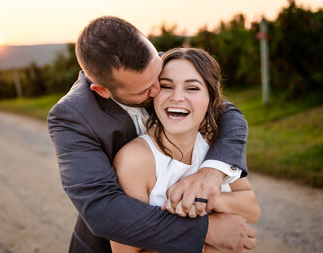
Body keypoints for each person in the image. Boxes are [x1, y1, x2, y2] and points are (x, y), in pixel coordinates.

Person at [48, 16, 256, 253]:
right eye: (145, 89)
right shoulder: (71, 117)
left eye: (157, 76)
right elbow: (104, 210)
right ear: (102, 90)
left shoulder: (163, 63)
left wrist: (213, 172)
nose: (158, 90)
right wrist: (207, 231)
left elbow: (227, 112)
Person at [110, 48, 261, 253]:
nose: (178, 97)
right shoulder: (135, 160)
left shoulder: (213, 144)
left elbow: (252, 210)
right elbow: (124, 251)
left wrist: (207, 196)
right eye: (166, 86)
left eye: (192, 88)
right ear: (153, 93)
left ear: (211, 98)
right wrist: (207, 243)